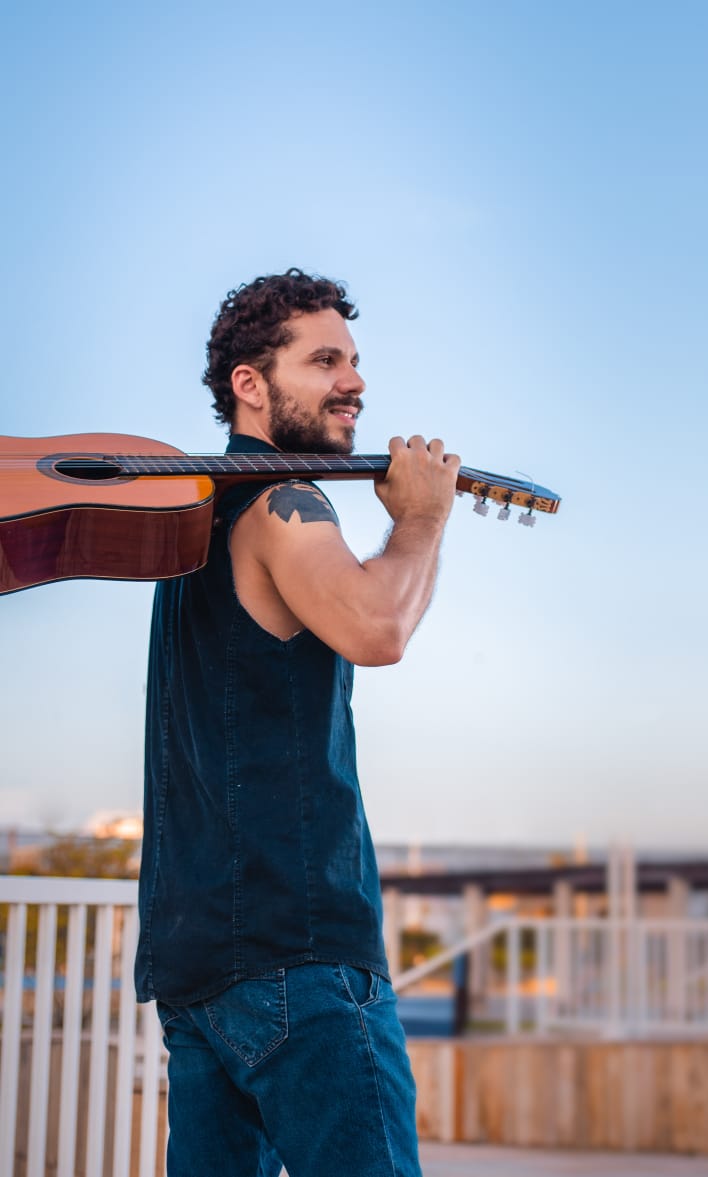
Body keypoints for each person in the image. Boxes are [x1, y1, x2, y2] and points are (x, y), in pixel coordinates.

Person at [134, 268, 460, 1176]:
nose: (353, 380)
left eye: (354, 360)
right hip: (297, 956)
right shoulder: (288, 505)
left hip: (197, 967)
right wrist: (423, 523)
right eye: (324, 361)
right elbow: (378, 628)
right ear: (250, 383)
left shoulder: (193, 525)